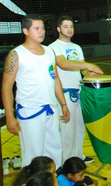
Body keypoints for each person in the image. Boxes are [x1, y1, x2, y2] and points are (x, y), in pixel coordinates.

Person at [2, 14, 69, 168]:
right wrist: (10, 117)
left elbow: (56, 79)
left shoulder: (49, 52)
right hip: (30, 111)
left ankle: (53, 181)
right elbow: (6, 87)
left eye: (43, 28)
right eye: (36, 28)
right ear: (25, 31)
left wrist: (63, 104)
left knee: (55, 151)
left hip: (51, 110)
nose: (41, 32)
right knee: (33, 156)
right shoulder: (16, 54)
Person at [49, 16, 103, 164]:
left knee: (79, 126)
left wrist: (88, 73)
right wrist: (89, 65)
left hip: (78, 91)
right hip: (64, 93)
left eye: (71, 26)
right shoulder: (54, 47)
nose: (69, 29)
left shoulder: (77, 47)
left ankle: (78, 155)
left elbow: (82, 70)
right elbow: (64, 64)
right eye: (65, 26)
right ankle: (67, 160)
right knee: (67, 129)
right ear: (58, 29)